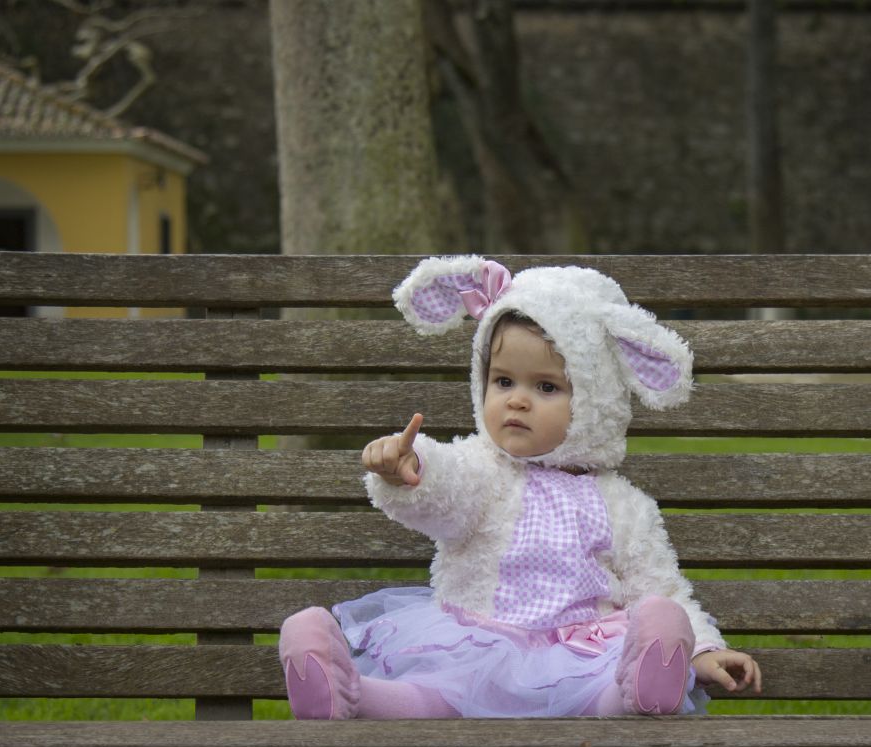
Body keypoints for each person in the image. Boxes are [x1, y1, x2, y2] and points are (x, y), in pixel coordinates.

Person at [279, 255, 761, 719]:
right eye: (503, 380)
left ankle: (644, 687)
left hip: (579, 653)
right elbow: (447, 488)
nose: (518, 402)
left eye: (546, 387)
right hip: (479, 641)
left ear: (596, 399)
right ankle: (348, 694)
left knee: (611, 672)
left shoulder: (622, 505)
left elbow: (659, 585)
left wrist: (700, 647)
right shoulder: (483, 470)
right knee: (444, 691)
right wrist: (410, 467)